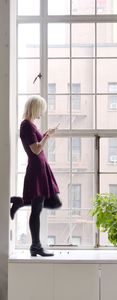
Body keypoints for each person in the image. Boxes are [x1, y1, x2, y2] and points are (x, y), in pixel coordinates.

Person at [10, 95, 62, 257]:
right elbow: (36, 149)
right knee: (37, 209)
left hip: (41, 167)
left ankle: (20, 202)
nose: (42, 113)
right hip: (36, 169)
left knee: (54, 203)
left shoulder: (31, 125)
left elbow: (37, 145)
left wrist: (46, 133)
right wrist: (47, 136)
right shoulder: (26, 125)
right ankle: (35, 246)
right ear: (35, 108)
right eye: (41, 110)